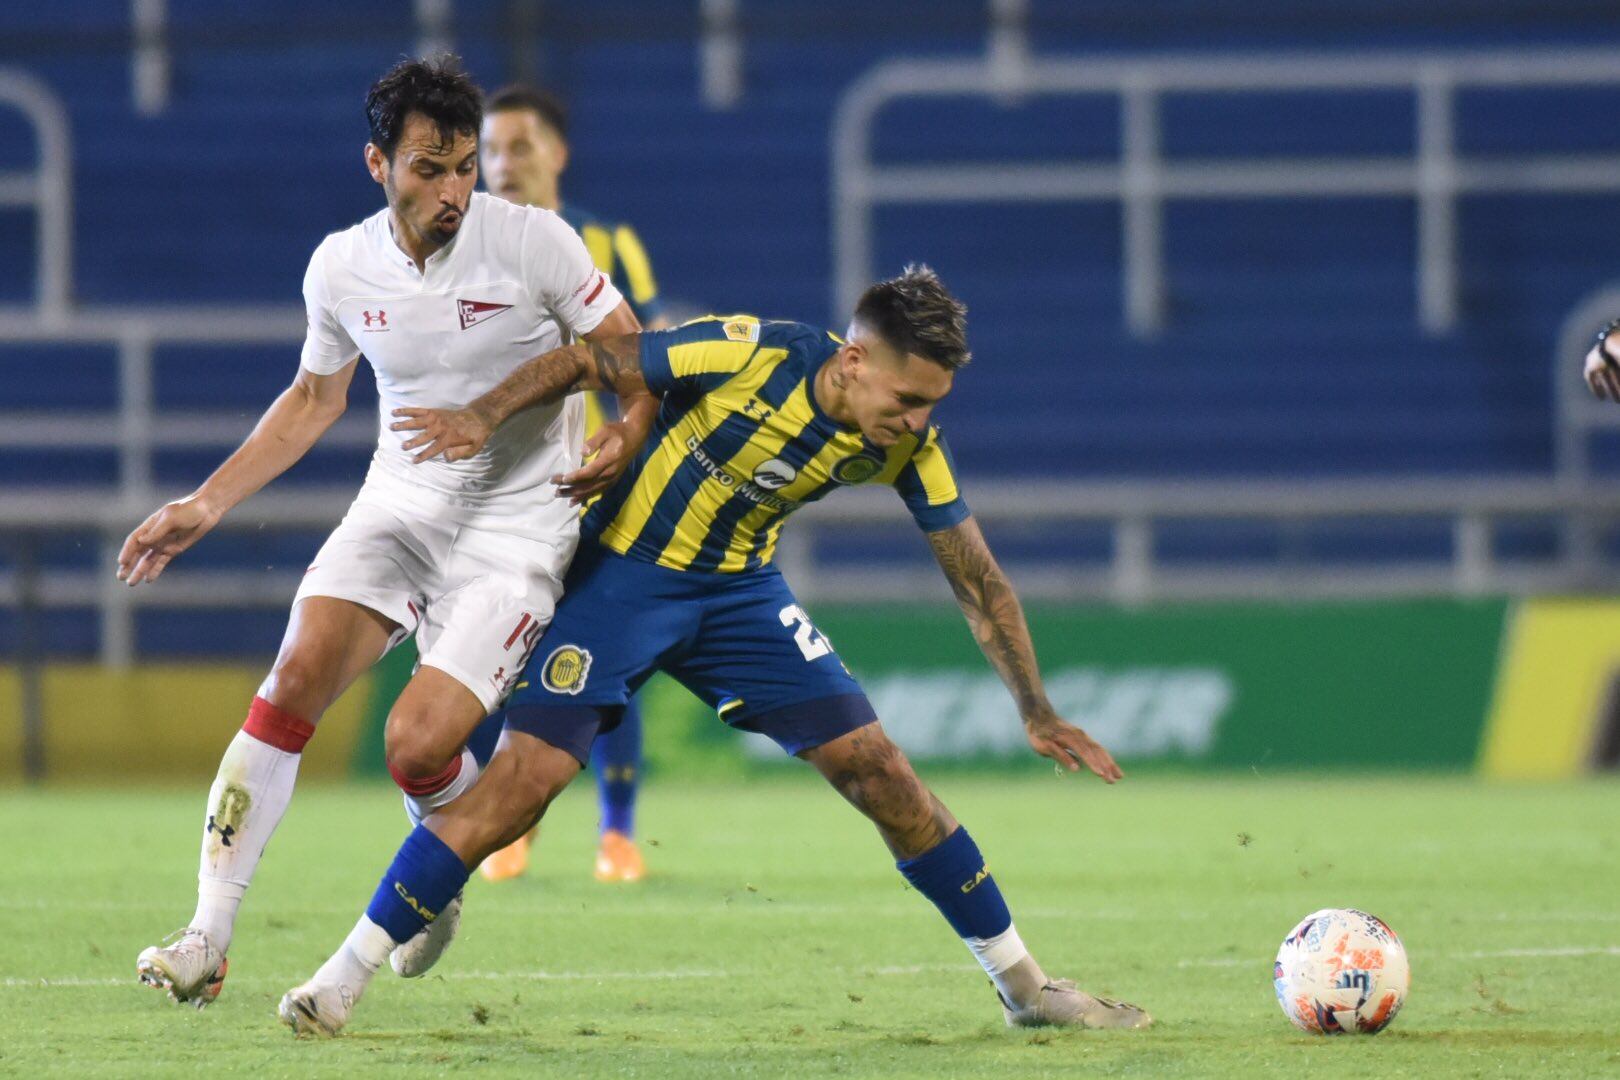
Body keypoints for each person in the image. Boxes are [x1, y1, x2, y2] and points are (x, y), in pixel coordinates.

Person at [277, 265, 1151, 1036]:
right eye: (908, 399)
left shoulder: (907, 447)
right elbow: (594, 358)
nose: (919, 421)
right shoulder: (747, 353)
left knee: (882, 772)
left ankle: (1025, 988)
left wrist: (1035, 708)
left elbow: (979, 580)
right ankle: (341, 977)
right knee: (523, 788)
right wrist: (481, 413)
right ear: (854, 361)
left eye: (932, 406)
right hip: (620, 580)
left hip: (738, 596)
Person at [126, 55, 650, 1008]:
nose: (453, 190)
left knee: (416, 748)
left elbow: (629, 351)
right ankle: (207, 934)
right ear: (378, 163)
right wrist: (208, 501)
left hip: (518, 532)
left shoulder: (535, 241)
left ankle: (430, 871)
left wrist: (625, 427)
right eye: (428, 168)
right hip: (399, 507)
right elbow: (313, 398)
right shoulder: (340, 264)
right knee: (290, 681)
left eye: (462, 168)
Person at [477, 83, 675, 885]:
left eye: (518, 147)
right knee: (499, 652)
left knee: (603, 658)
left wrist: (629, 439)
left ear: (556, 153)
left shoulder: (609, 241)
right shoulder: (469, 248)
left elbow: (651, 358)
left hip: (597, 479)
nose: (502, 164)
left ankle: (617, 831)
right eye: (490, 150)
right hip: (506, 482)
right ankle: (509, 821)